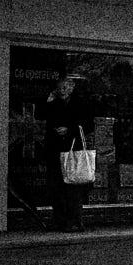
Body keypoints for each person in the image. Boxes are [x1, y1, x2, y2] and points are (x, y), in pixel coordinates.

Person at [36, 71, 95, 232]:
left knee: (72, 188)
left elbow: (89, 126)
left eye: (65, 87)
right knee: (55, 188)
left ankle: (74, 221)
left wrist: (69, 130)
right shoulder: (53, 103)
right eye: (60, 87)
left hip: (72, 151)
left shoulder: (81, 103)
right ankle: (59, 220)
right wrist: (48, 100)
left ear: (72, 88)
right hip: (55, 151)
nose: (62, 90)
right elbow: (39, 115)